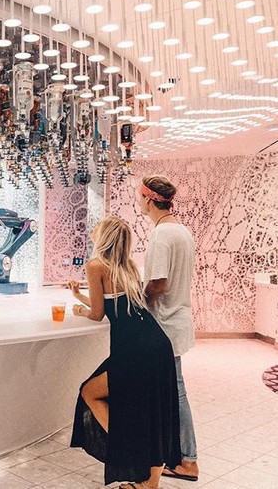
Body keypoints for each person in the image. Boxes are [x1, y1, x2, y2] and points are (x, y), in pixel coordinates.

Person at [68, 216, 181, 489]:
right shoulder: (127, 266)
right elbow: (113, 304)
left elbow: (97, 314)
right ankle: (150, 481)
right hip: (157, 344)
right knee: (153, 411)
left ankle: (129, 446)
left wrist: (81, 310)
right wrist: (80, 296)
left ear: (104, 236)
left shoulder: (95, 265)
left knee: (90, 392)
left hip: (134, 349)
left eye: (98, 227)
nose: (93, 229)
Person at [139, 175, 199, 483]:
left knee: (175, 392)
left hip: (165, 322)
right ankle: (179, 456)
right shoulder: (182, 231)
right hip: (178, 320)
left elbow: (159, 282)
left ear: (149, 199)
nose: (139, 202)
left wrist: (140, 302)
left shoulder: (162, 234)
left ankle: (188, 460)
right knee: (173, 391)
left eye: (140, 197)